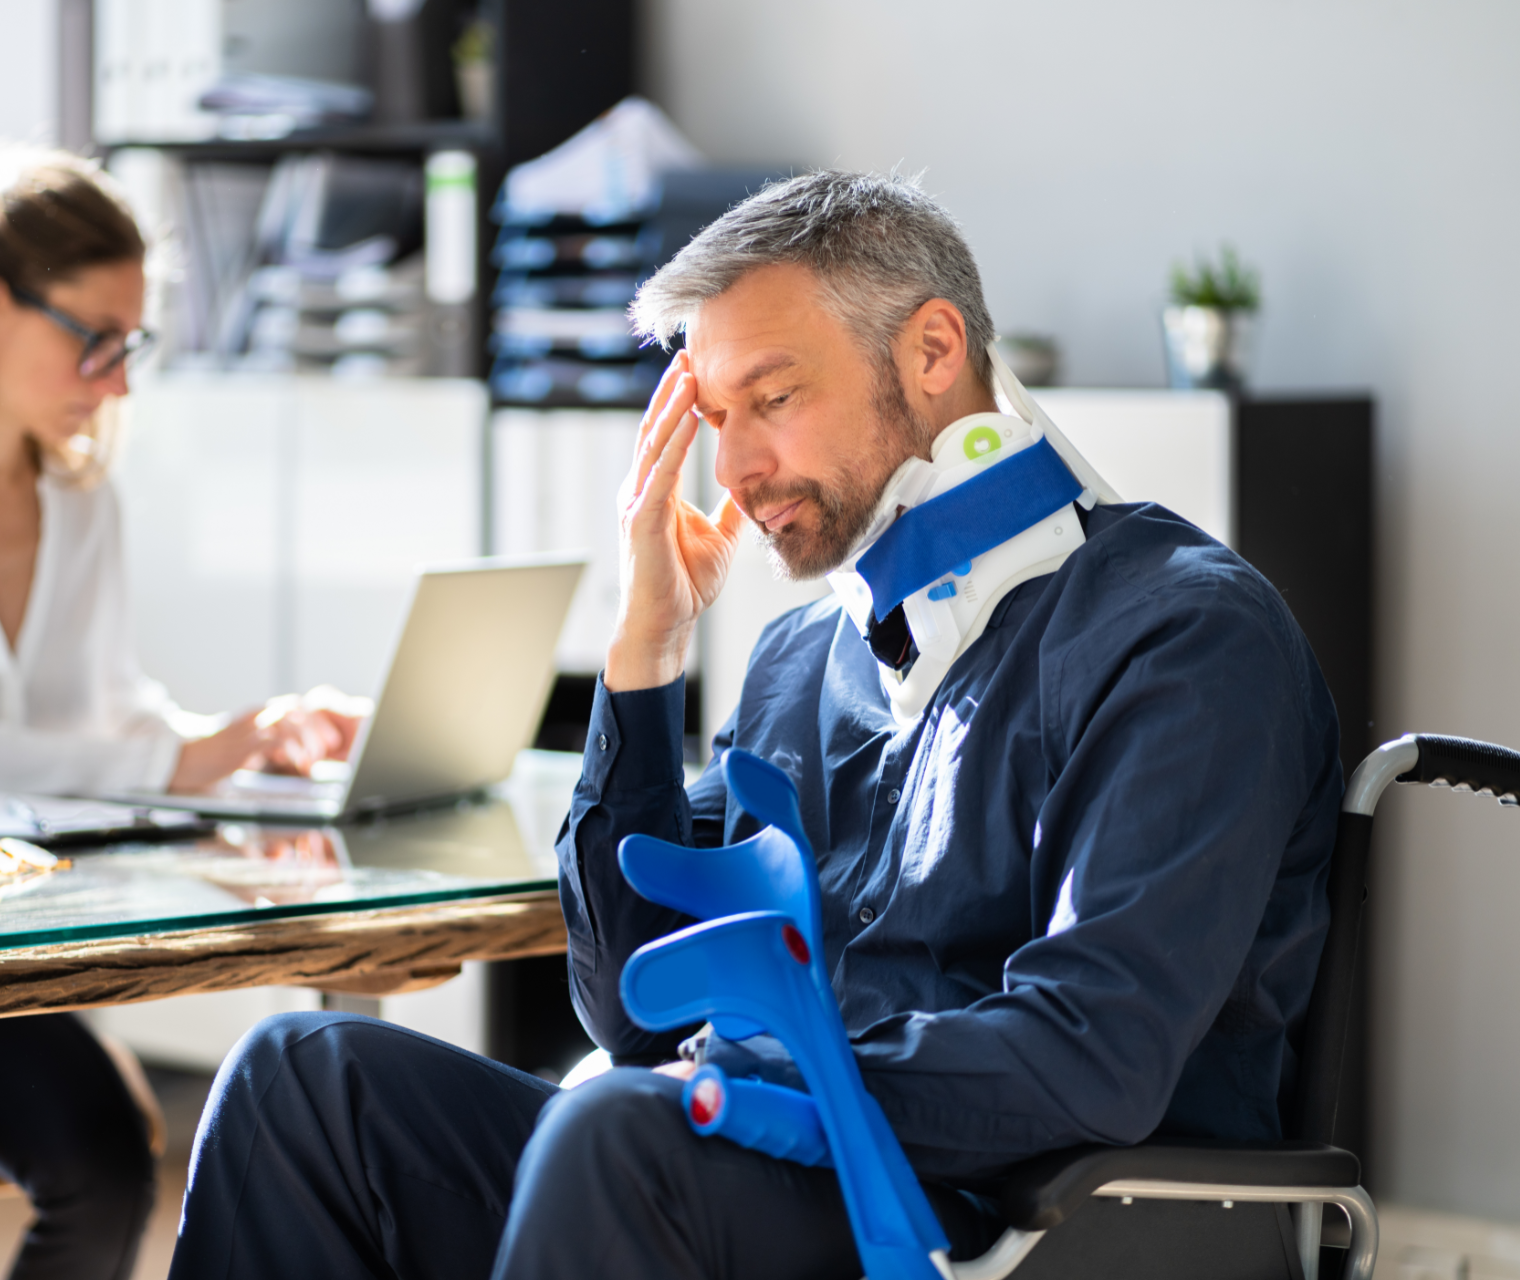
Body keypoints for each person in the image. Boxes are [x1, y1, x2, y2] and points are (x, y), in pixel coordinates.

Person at [165, 171, 1342, 1280]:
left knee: (621, 1131)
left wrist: (747, 1077)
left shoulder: (1181, 636)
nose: (733, 466)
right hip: (776, 1162)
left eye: (773, 399)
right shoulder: (805, 661)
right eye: (716, 415)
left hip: (1021, 1213)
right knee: (301, 1077)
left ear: (935, 349)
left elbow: (1094, 1050)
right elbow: (635, 1009)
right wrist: (646, 658)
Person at [0, 150, 358, 1280]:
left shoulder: (81, 499)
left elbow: (106, 709)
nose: (118, 379)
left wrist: (249, 743)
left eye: (131, 343)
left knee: (109, 1166)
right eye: (97, 336)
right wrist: (182, 752)